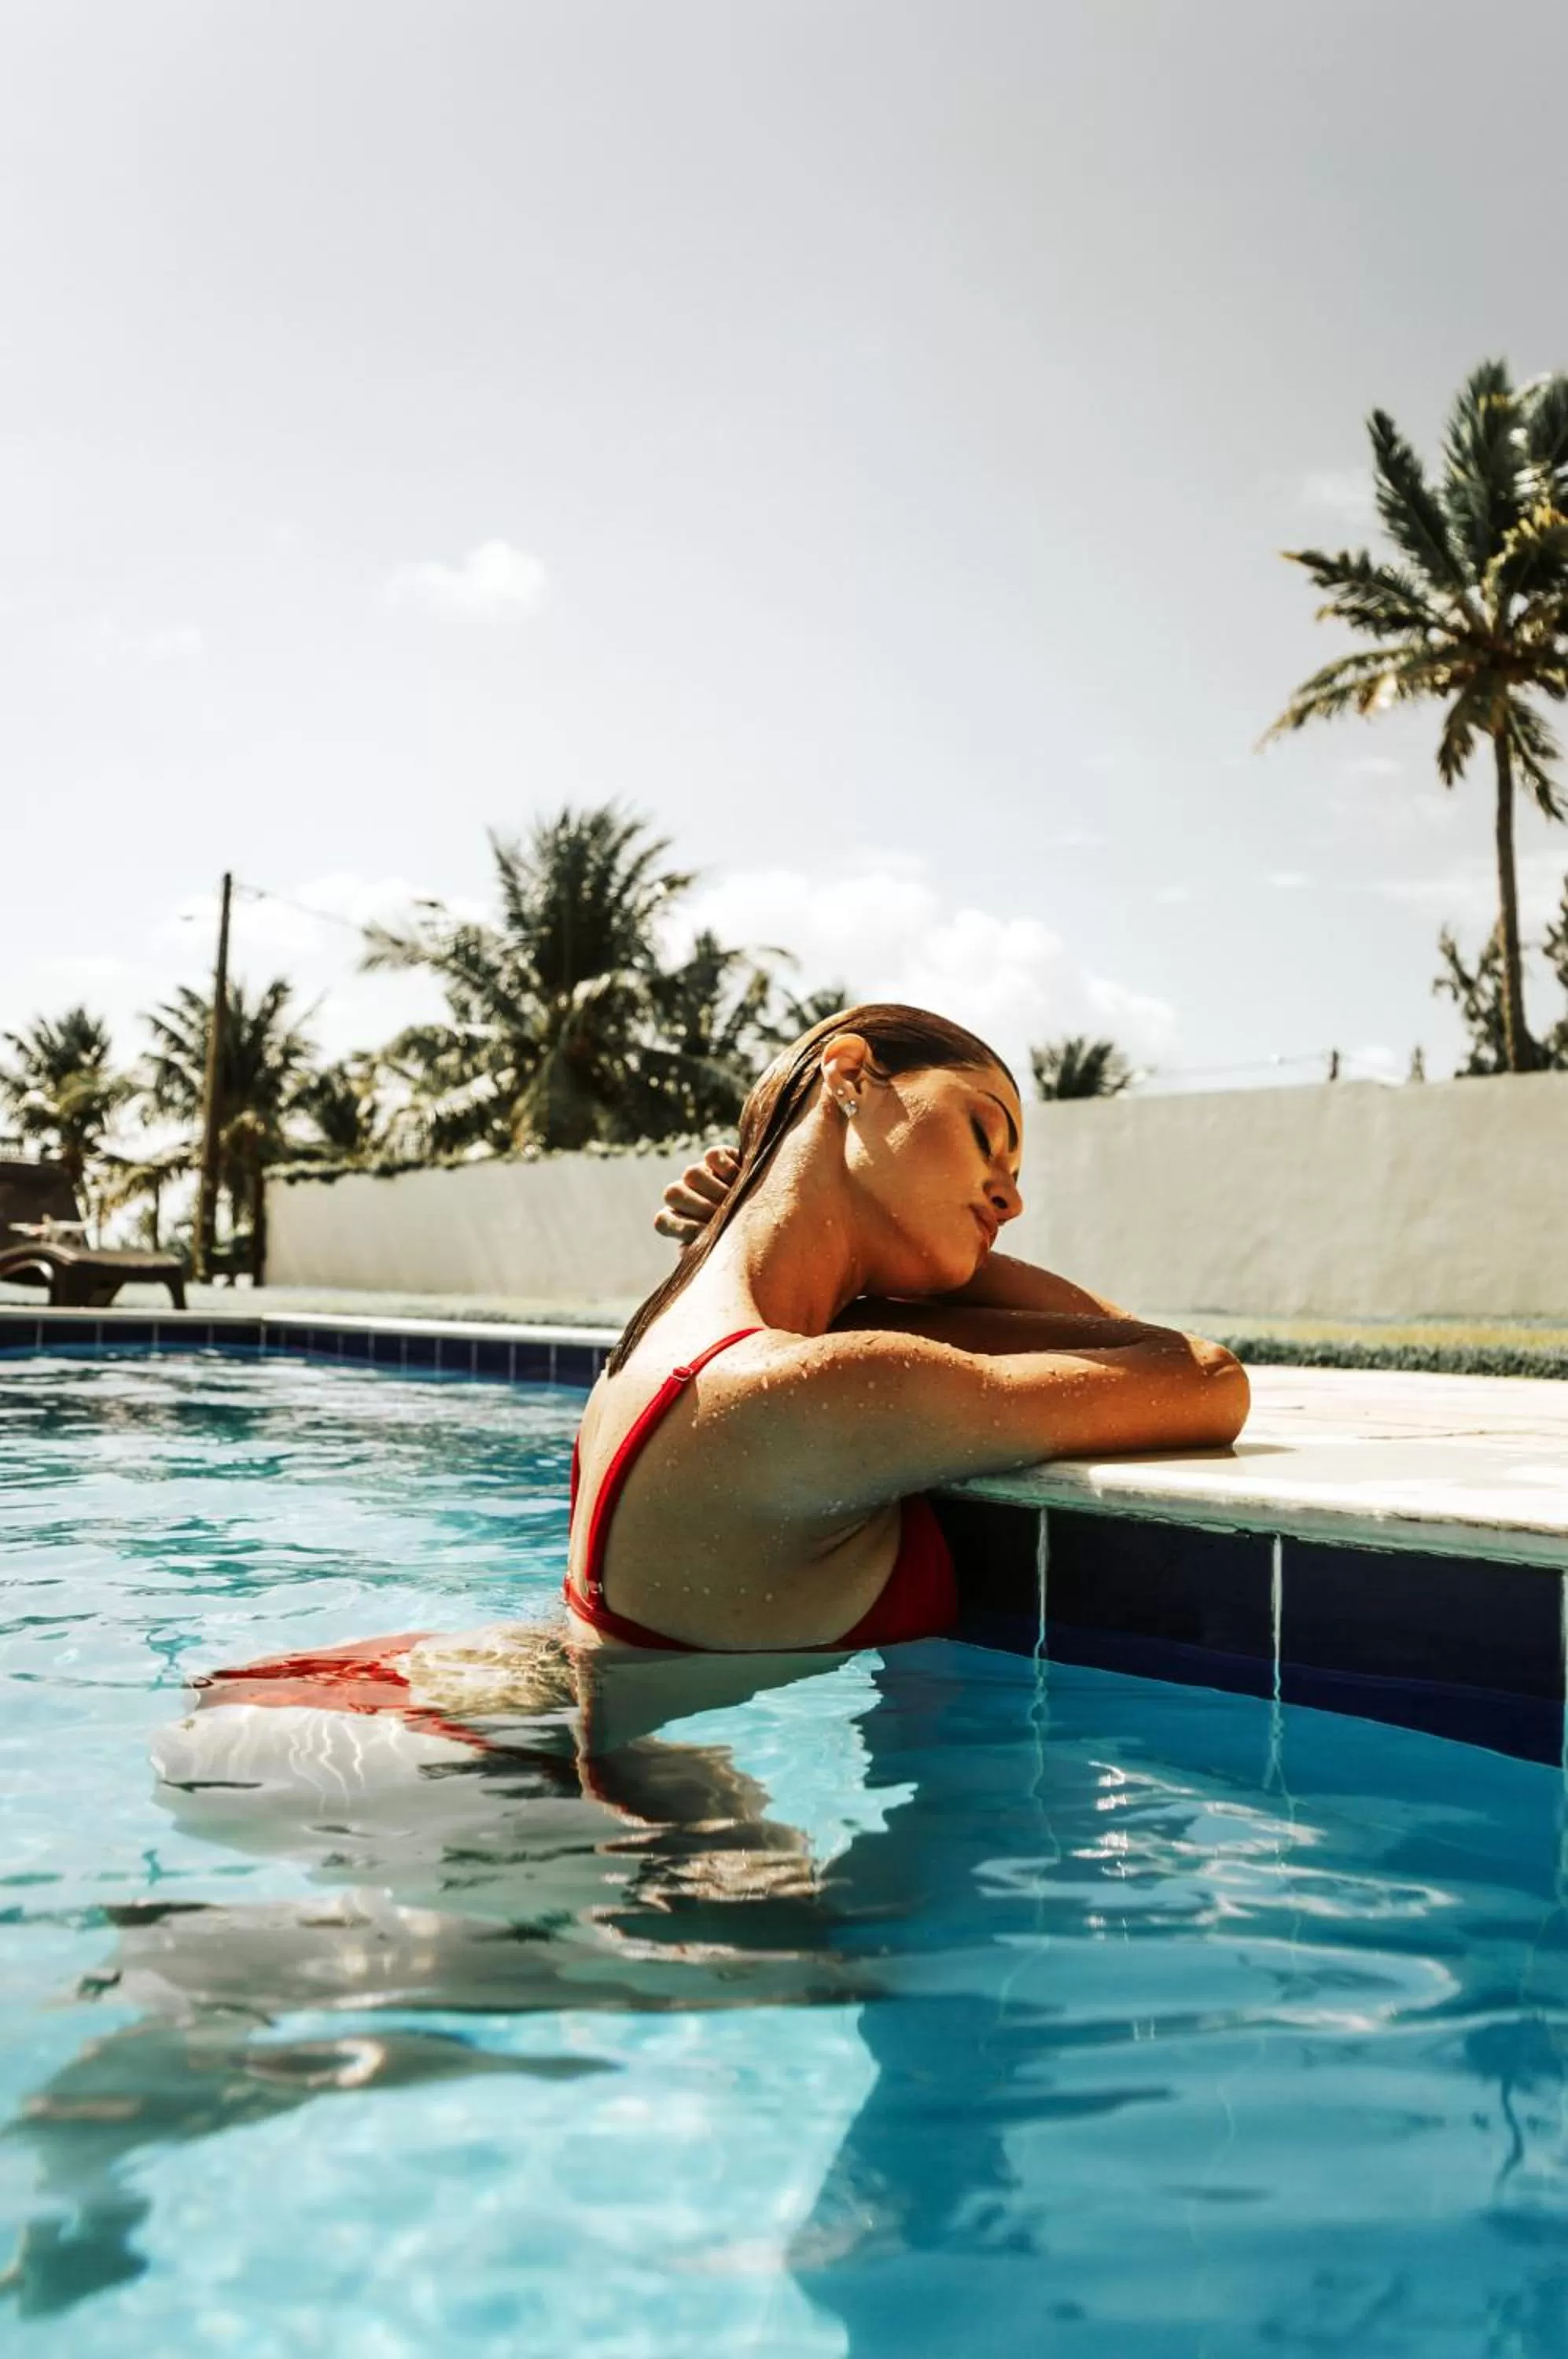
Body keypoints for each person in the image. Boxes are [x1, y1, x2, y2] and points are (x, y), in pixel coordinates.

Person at [191, 1002, 1247, 1725]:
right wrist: (936, 1273)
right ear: (849, 1076)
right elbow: (1198, 1378)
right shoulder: (823, 1385)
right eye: (985, 1137)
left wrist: (791, 1229)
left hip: (475, 1721)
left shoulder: (670, 1331)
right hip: (584, 1829)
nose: (1010, 1196)